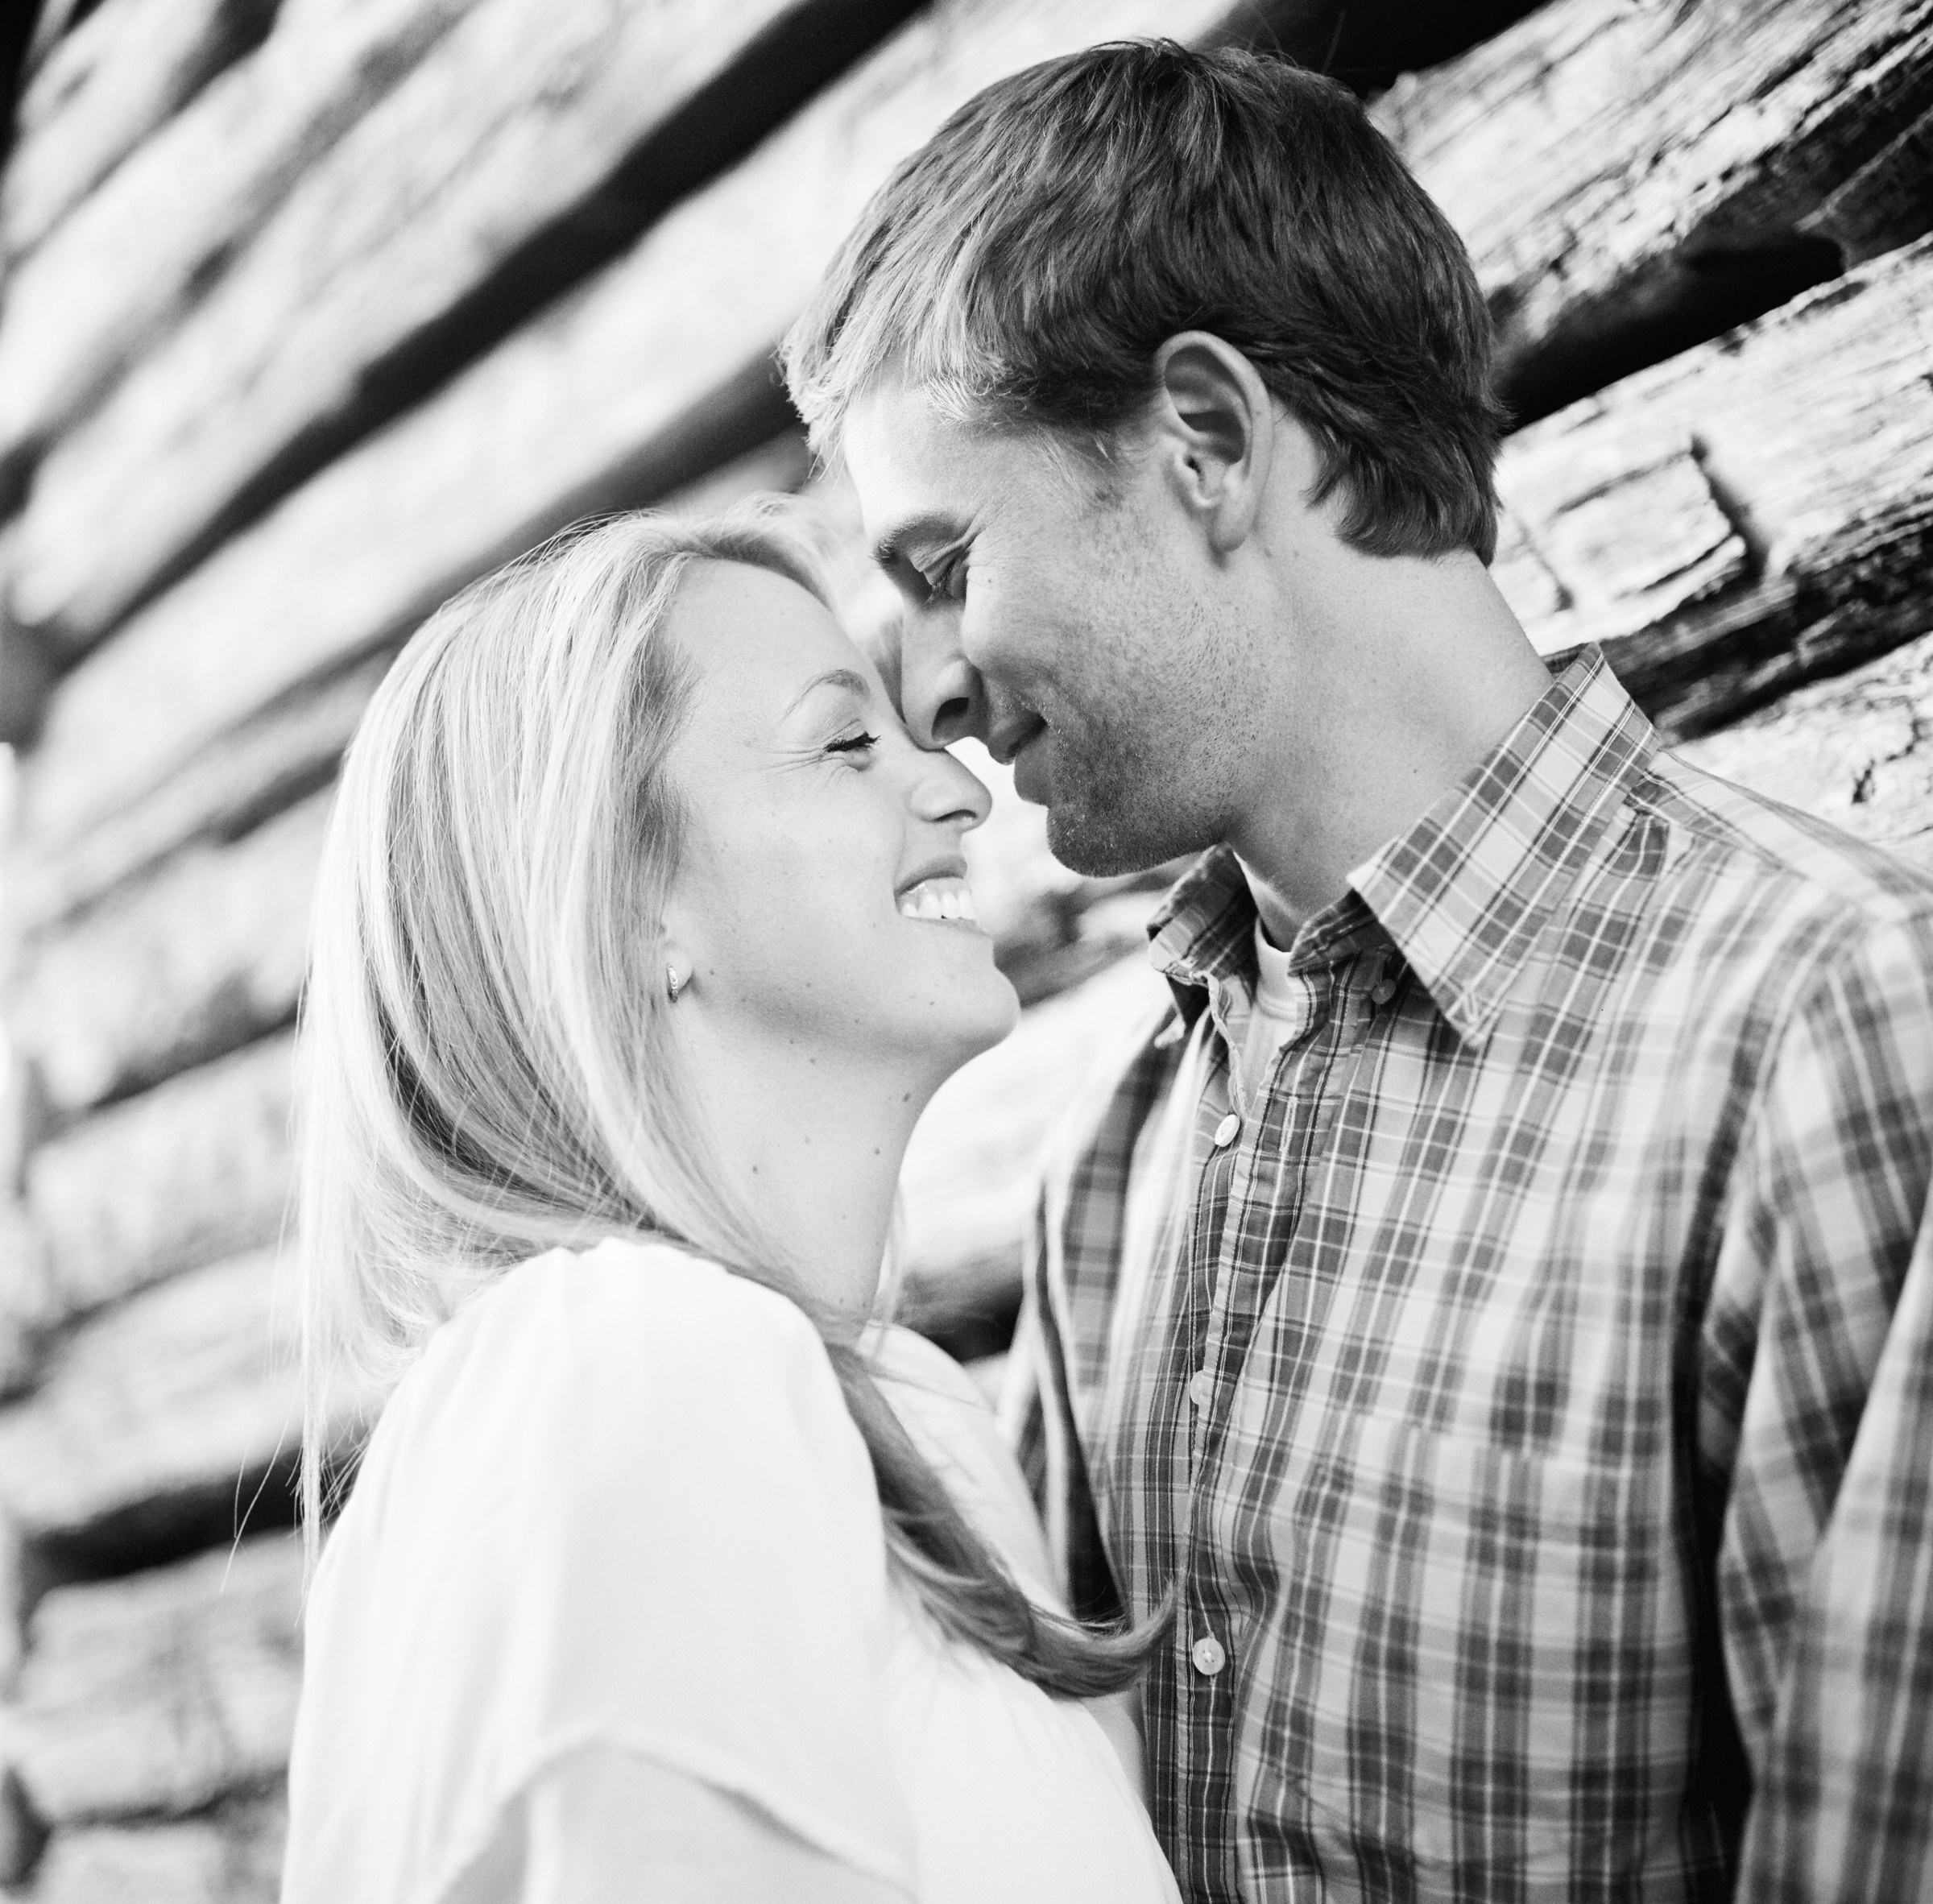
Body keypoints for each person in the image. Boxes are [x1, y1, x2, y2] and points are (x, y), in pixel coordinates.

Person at [782, 39, 1933, 1904]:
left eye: (942, 557)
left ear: (1209, 443)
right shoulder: (1126, 1159)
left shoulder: (1835, 1031)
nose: (926, 681)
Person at [277, 510, 1183, 1904]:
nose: (957, 792)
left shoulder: (912, 1419)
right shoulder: (636, 1355)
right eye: (841, 744)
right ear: (628, 899)